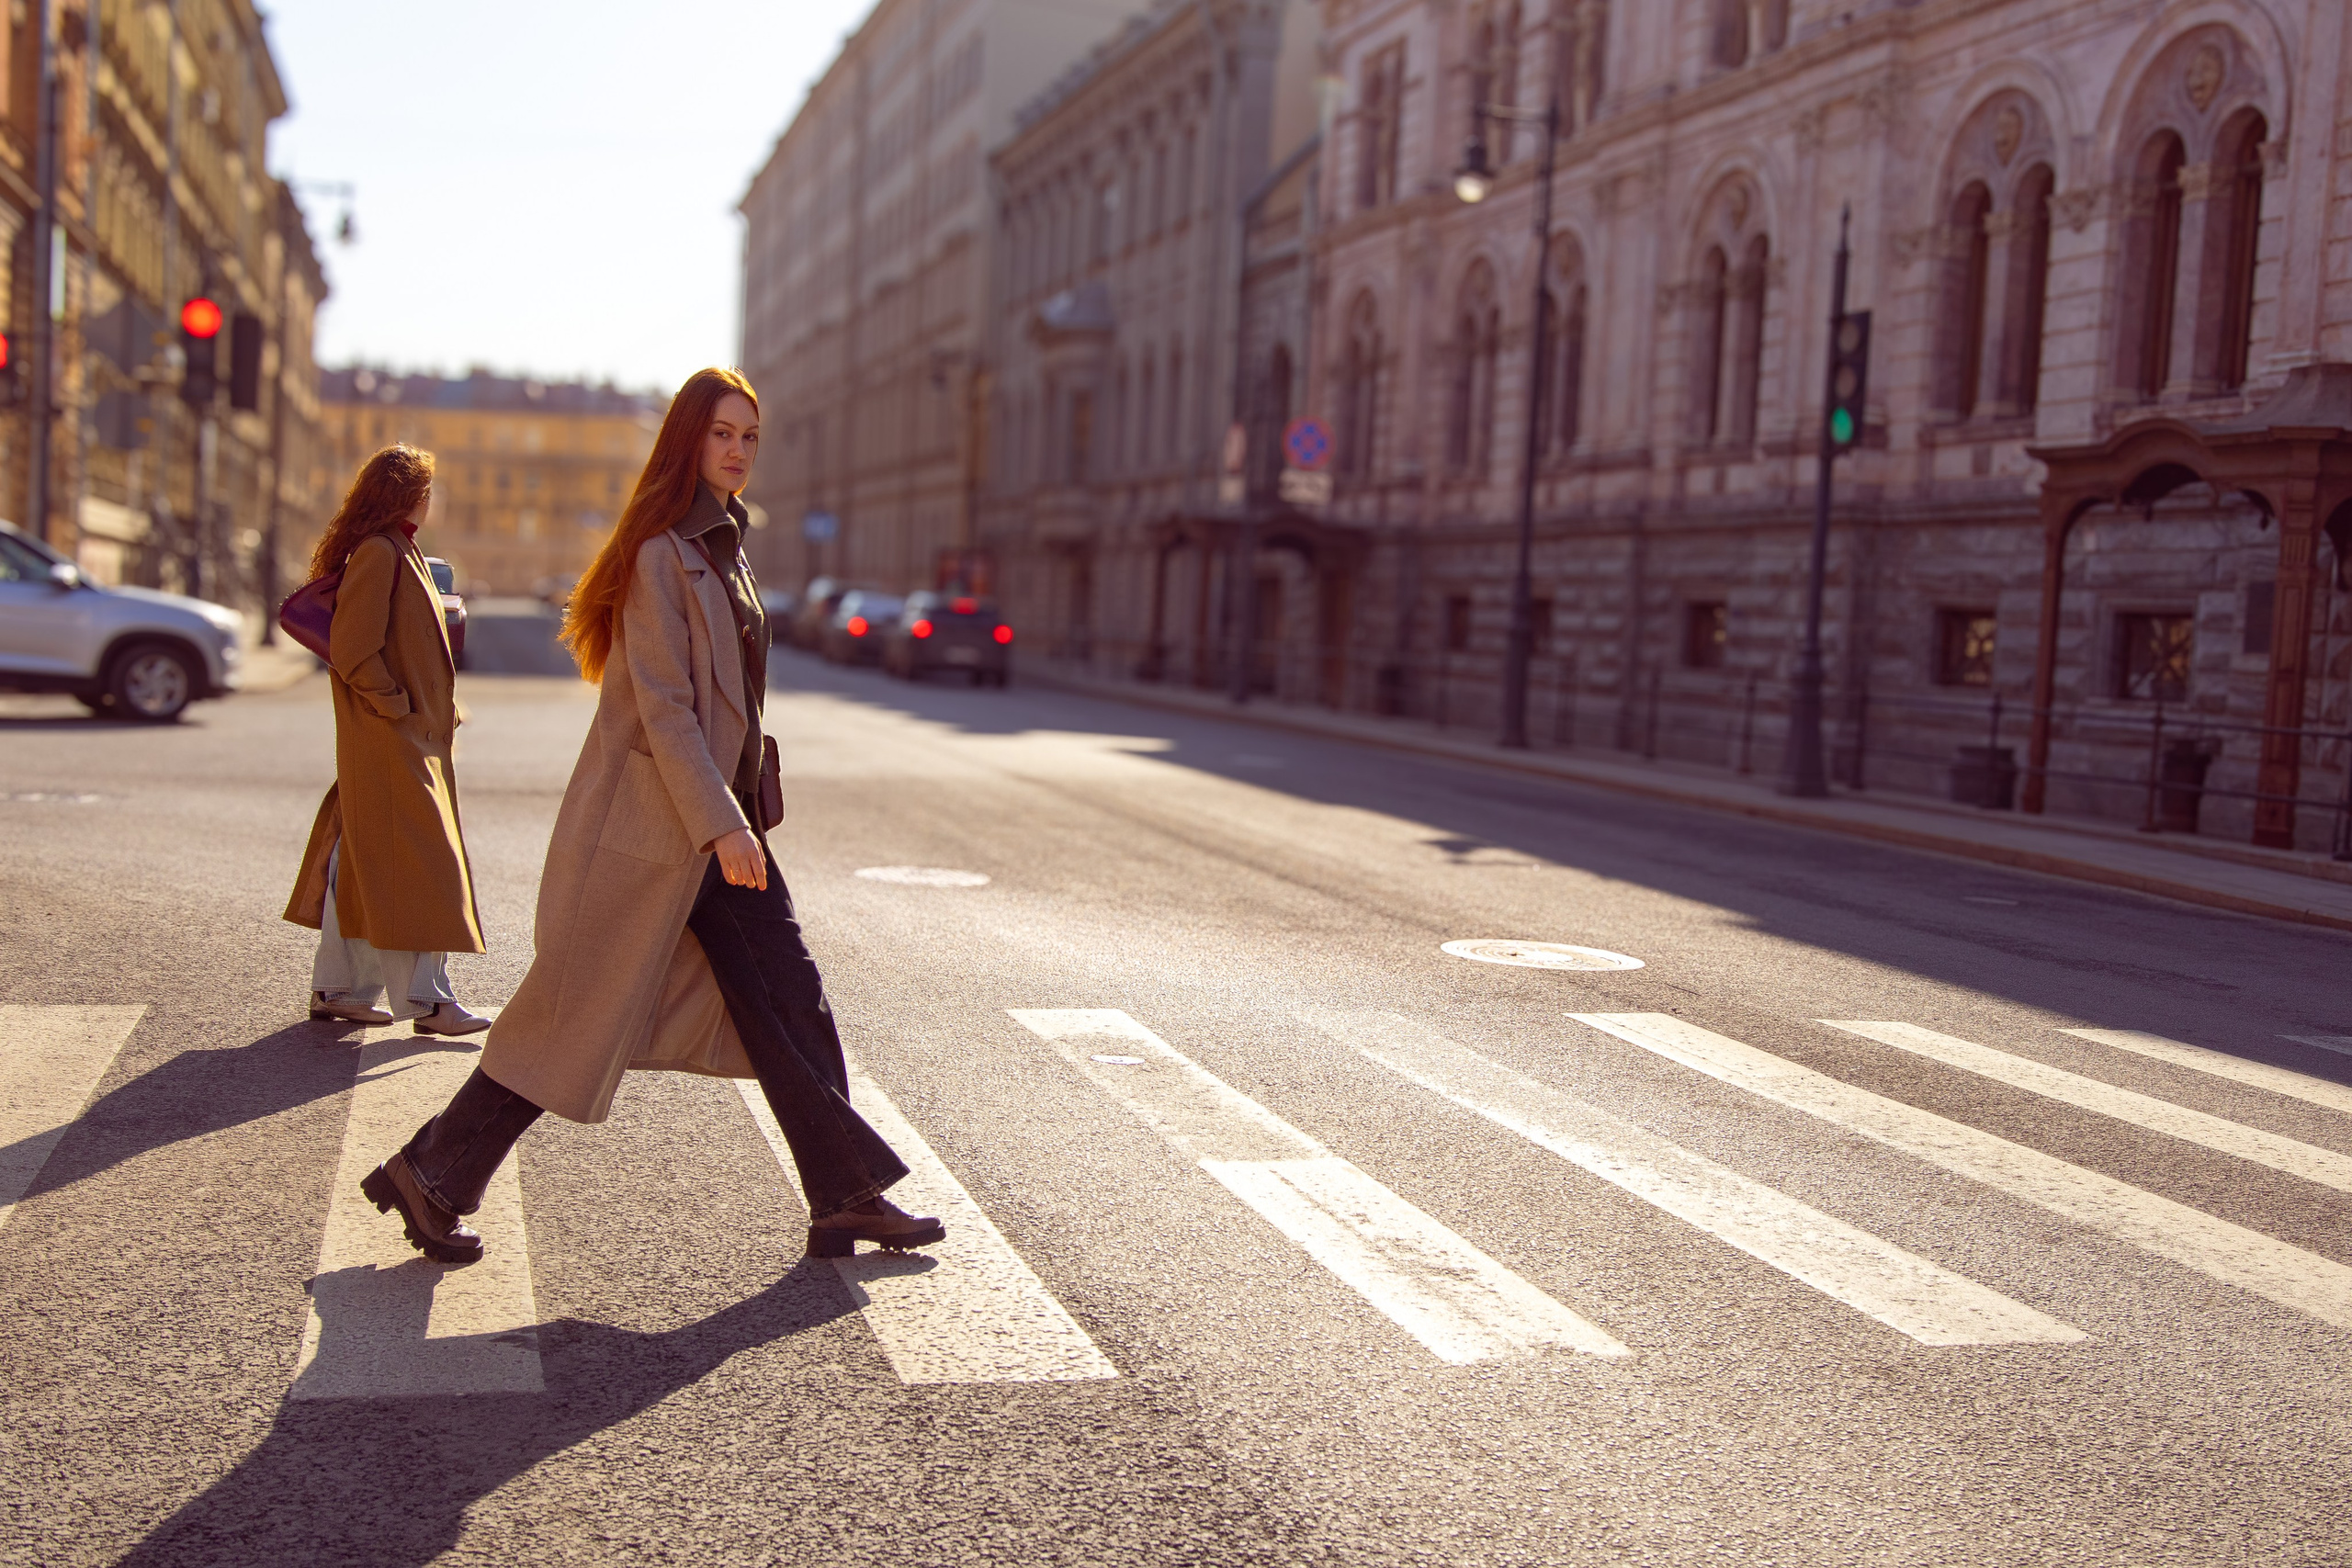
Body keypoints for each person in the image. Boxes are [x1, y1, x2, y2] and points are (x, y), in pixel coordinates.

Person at [358, 367, 943, 1266]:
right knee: (580, 1014)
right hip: (667, 826)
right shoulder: (663, 553)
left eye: (750, 436)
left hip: (711, 817)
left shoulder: (723, 545)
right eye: (721, 434)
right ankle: (432, 1176)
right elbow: (667, 708)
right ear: (685, 441)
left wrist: (734, 808)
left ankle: (844, 1195)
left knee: (783, 998)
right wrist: (720, 824)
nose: (739, 451)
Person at [284, 446, 490, 1035]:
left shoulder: (401, 550)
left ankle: (340, 988)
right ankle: (429, 1002)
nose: (433, 499)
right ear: (408, 496)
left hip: (401, 732)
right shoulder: (380, 554)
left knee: (363, 859)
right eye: (428, 489)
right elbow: (353, 649)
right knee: (421, 866)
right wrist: (397, 704)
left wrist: (432, 704)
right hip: (391, 736)